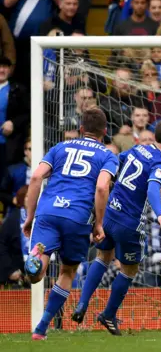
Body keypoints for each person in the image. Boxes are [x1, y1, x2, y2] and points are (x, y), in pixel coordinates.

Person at [71, 119, 161, 336]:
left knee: (103, 256)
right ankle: (108, 314)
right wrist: (160, 214)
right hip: (129, 222)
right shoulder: (160, 164)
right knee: (130, 269)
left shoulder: (139, 148)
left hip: (111, 211)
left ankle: (82, 303)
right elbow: (151, 190)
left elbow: (118, 160)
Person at [23, 109, 119, 340]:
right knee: (67, 270)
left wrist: (29, 217)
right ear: (105, 132)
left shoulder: (60, 147)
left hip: (48, 212)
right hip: (76, 217)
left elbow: (36, 177)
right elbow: (102, 187)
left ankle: (36, 257)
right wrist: (99, 224)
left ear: (81, 129)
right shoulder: (108, 155)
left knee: (37, 275)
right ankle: (41, 328)